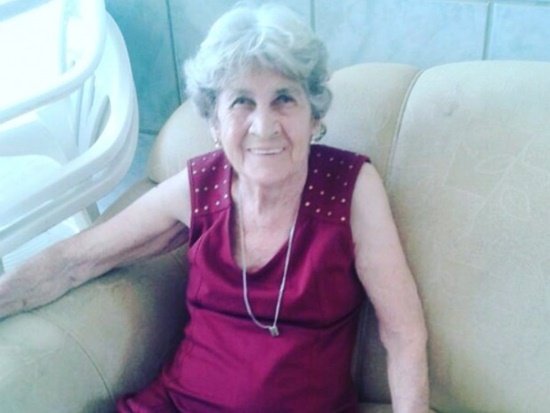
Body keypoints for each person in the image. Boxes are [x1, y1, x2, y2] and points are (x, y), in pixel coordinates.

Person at [0, 4, 429, 412]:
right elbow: (75, 261)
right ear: (214, 123)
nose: (264, 126)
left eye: (284, 98)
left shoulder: (349, 189)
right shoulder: (200, 188)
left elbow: (403, 332)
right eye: (242, 101)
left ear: (313, 116)